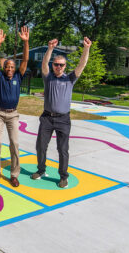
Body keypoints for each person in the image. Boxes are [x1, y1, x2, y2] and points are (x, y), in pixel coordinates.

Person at [31, 37, 91, 188]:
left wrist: (86, 48)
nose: (58, 67)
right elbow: (44, 63)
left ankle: (63, 176)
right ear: (53, 65)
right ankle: (41, 170)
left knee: (62, 149)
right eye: (56, 64)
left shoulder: (70, 79)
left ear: (64, 66)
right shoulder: (48, 77)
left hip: (63, 119)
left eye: (61, 65)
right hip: (46, 118)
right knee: (41, 146)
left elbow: (82, 65)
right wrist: (50, 48)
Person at [0, 27, 29, 187]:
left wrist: (26, 42)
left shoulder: (19, 77)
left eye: (13, 66)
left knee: (14, 144)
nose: (10, 69)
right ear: (4, 67)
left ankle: (14, 174)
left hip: (13, 115)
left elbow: (25, 61)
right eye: (7, 66)